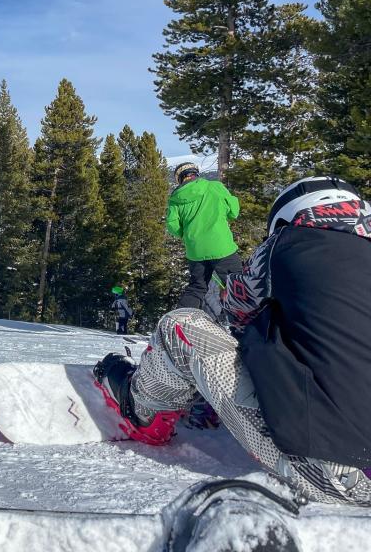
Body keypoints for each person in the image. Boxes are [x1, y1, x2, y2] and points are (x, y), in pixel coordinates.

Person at [93, 176, 371, 506]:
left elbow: (238, 312)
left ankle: (142, 412)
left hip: (337, 472)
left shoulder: (283, 246)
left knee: (182, 326)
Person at [166, 161, 242, 309]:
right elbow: (234, 211)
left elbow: (172, 226)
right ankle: (248, 323)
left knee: (197, 287)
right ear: (196, 173)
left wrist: (188, 234)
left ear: (180, 178)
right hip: (222, 246)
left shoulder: (175, 199)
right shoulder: (214, 187)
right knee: (239, 285)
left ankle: (182, 322)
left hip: (195, 251)